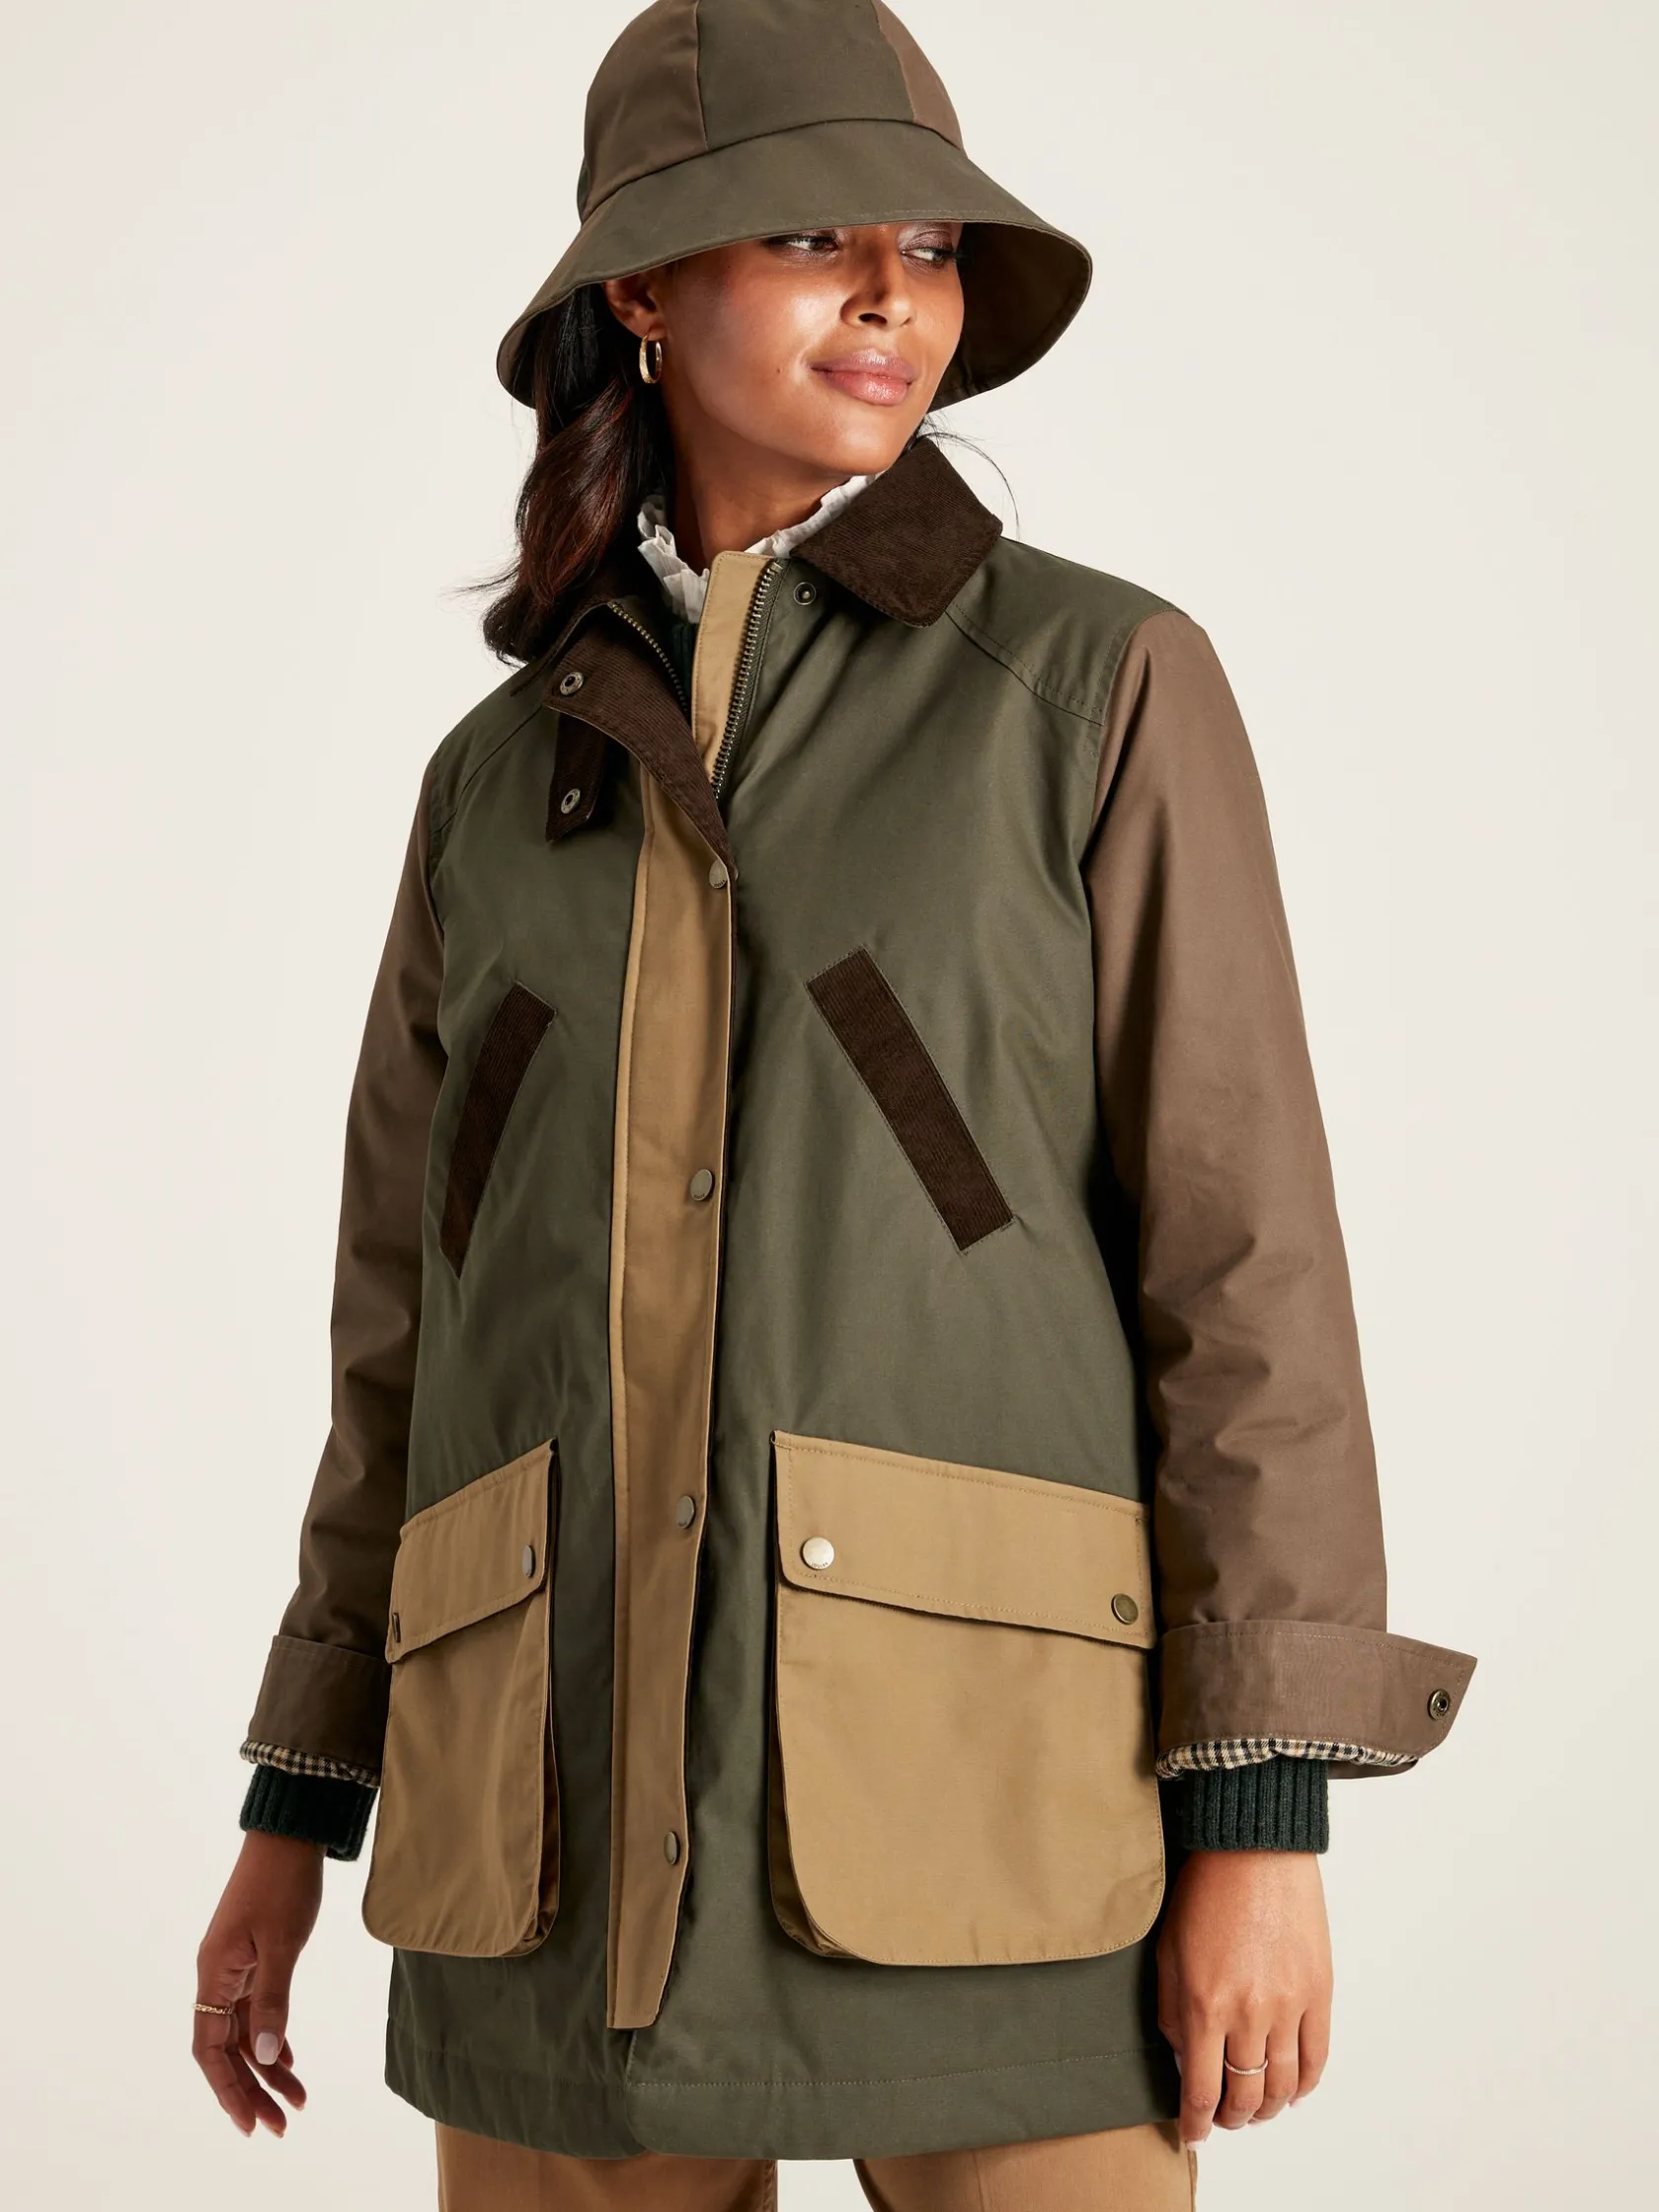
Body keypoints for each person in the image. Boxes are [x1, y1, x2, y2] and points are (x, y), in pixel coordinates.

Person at [192, 4, 1476, 2205]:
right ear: (641, 285)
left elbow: (1243, 1264)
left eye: (931, 247)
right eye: (810, 236)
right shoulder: (494, 787)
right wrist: (294, 1807)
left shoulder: (1090, 685)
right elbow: (404, 1330)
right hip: (540, 1857)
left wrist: (1262, 1821)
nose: (894, 295)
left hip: (989, 1826)